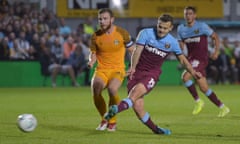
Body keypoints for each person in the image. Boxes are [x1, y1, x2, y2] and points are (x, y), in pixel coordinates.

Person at [104, 14, 201, 135]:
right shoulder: (146, 33)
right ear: (157, 24)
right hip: (136, 72)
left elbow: (182, 60)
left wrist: (192, 72)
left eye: (165, 28)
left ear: (170, 28)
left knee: (133, 96)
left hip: (152, 74)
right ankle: (157, 130)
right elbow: (137, 51)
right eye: (160, 27)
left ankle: (116, 109)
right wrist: (133, 68)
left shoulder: (172, 42)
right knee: (138, 108)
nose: (161, 30)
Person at [177, 6, 230, 117]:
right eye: (186, 14)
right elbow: (180, 44)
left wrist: (216, 52)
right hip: (190, 59)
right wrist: (180, 54)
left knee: (185, 77)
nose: (188, 16)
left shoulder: (202, 26)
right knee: (204, 88)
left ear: (195, 15)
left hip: (201, 59)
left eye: (190, 13)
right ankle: (223, 107)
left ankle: (198, 101)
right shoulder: (181, 29)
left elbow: (215, 37)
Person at [88, 8, 134, 132]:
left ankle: (112, 121)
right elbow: (93, 53)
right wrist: (91, 61)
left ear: (112, 19)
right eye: (100, 19)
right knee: (96, 88)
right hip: (102, 69)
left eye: (105, 18)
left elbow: (133, 51)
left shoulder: (122, 33)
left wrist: (132, 66)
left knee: (112, 89)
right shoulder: (95, 36)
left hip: (117, 69)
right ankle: (104, 118)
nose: (102, 21)